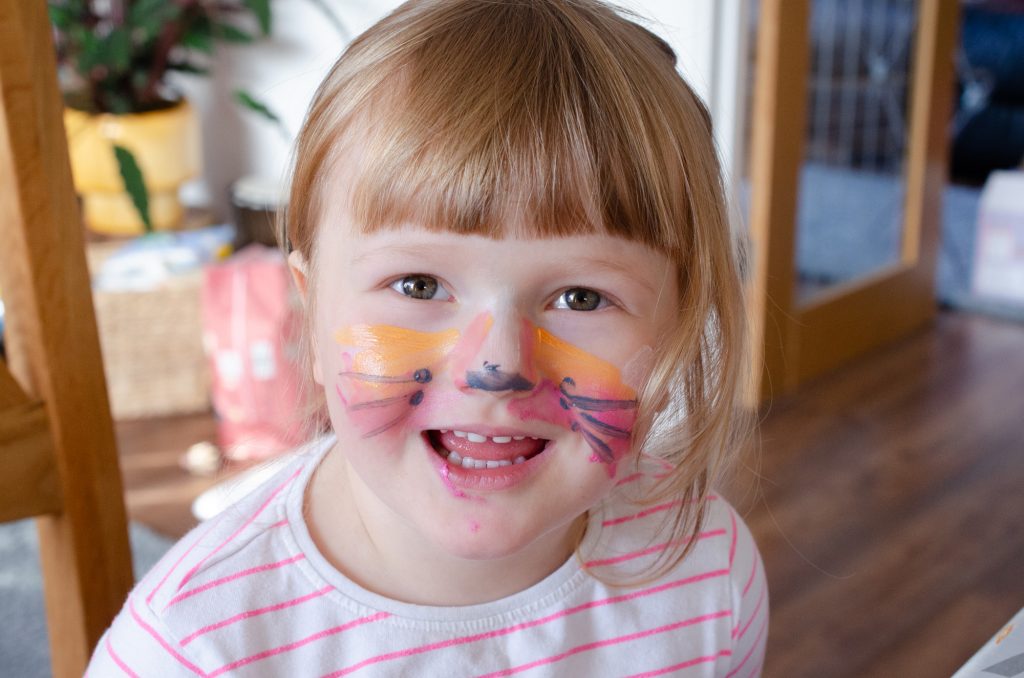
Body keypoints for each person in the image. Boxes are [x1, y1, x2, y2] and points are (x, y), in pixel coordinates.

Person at [87, 0, 768, 674]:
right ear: (312, 317)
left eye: (581, 298)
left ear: (679, 325)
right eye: (418, 285)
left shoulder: (709, 575)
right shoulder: (187, 653)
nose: (496, 365)